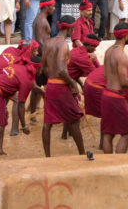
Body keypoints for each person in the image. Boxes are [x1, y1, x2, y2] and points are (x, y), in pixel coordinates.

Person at [42, 15, 85, 157]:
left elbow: (43, 68)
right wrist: (73, 83)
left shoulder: (47, 43)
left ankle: (47, 156)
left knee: (47, 122)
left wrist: (53, 80)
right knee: (74, 119)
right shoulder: (63, 45)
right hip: (60, 86)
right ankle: (82, 154)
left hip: (51, 85)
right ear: (70, 28)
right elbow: (61, 69)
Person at [101, 21, 128, 154]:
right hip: (116, 97)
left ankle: (108, 163)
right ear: (126, 36)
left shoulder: (108, 51)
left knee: (108, 133)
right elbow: (123, 81)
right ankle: (118, 162)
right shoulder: (122, 55)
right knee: (127, 133)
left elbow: (106, 75)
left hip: (106, 94)